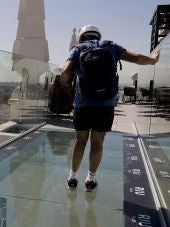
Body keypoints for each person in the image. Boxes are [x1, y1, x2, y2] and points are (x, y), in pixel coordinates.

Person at [60, 24, 160, 191]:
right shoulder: (111, 46)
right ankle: (91, 180)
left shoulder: (78, 49)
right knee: (97, 143)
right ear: (98, 36)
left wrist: (65, 85)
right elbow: (136, 58)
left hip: (82, 105)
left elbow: (65, 72)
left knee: (80, 142)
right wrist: (153, 60)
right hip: (106, 104)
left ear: (82, 37)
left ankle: (72, 177)